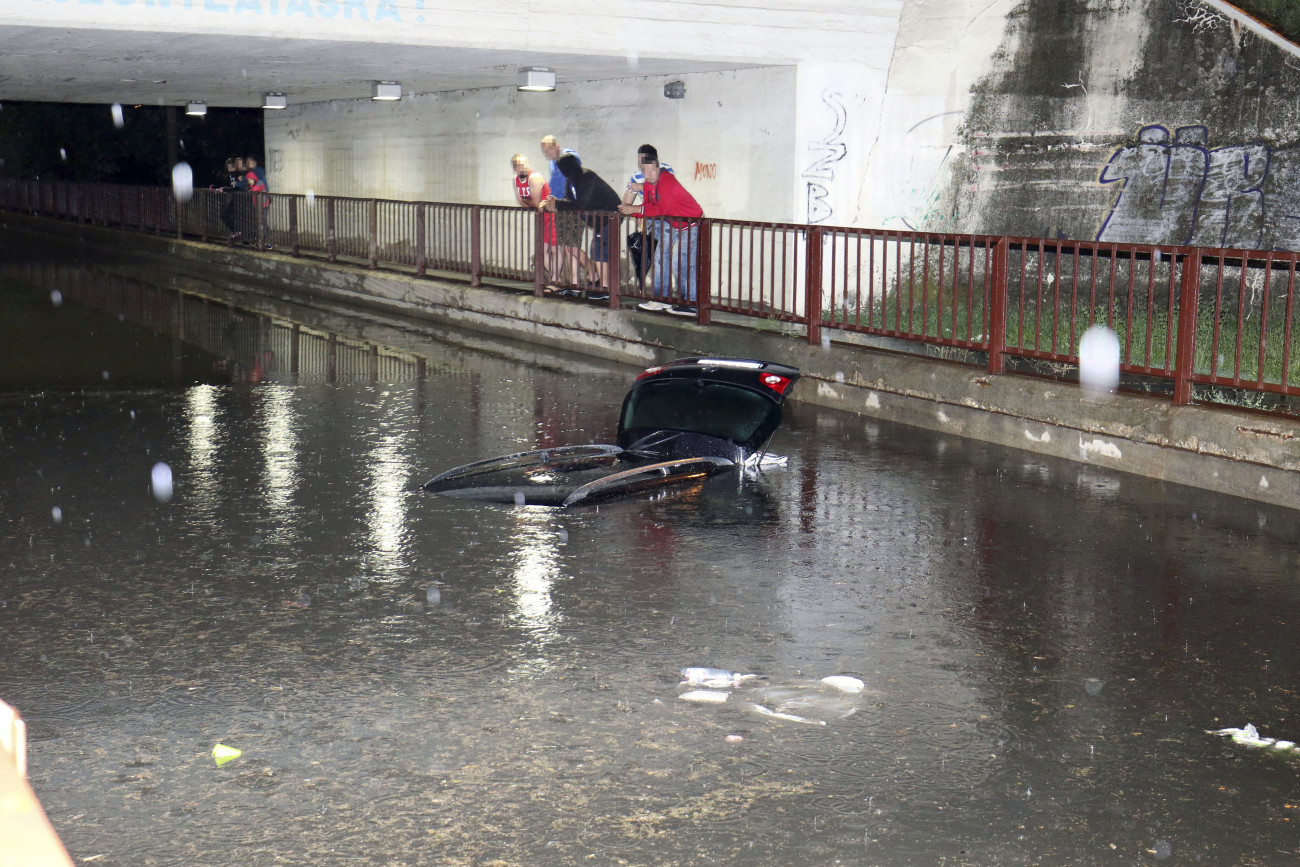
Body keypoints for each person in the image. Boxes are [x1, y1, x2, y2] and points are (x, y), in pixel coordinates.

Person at [618, 149, 703, 316]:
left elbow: (660, 208)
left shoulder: (668, 182)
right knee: (659, 257)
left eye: (651, 170)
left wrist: (634, 209)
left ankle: (690, 304)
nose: (648, 175)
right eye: (644, 171)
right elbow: (650, 206)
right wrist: (632, 211)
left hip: (692, 223)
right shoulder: (649, 183)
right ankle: (660, 299)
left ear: (658, 168)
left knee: (683, 262)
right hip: (674, 222)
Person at [546, 154, 621, 300]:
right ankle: (601, 284)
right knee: (597, 249)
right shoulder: (572, 179)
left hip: (609, 216)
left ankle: (604, 288)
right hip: (600, 218)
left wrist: (558, 204)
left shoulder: (586, 178)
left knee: (600, 251)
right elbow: (570, 199)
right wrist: (557, 202)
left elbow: (582, 204)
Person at [540, 135, 592, 288]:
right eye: (544, 151)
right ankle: (573, 282)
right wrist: (550, 200)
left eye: (549, 149)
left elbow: (575, 180)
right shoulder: (552, 163)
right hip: (561, 208)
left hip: (572, 208)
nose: (547, 153)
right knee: (568, 247)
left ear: (557, 145)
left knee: (572, 247)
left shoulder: (569, 156)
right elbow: (555, 185)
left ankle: (592, 274)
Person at [620, 144, 675, 288]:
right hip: (649, 219)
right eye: (639, 158)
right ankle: (659, 294)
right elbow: (626, 201)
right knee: (653, 257)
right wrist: (632, 211)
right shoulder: (636, 176)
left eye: (643, 158)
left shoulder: (665, 170)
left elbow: (664, 193)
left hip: (665, 219)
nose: (640, 162)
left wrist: (641, 190)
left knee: (661, 257)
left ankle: (663, 297)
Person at [511, 154, 559, 288]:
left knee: (555, 250)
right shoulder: (516, 179)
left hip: (552, 217)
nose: (523, 167)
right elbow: (523, 203)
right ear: (515, 168)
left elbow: (536, 202)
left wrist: (530, 202)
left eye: (524, 164)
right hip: (541, 218)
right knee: (542, 251)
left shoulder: (534, 177)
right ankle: (556, 279)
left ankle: (557, 281)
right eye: (519, 165)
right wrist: (531, 202)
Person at [244, 155, 271, 248]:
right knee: (260, 221)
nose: (247, 164)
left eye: (249, 162)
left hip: (262, 200)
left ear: (254, 162)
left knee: (262, 221)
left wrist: (253, 189)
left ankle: (265, 242)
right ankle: (261, 241)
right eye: (247, 162)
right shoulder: (253, 172)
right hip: (259, 201)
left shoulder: (257, 171)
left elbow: (260, 183)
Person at [217, 156, 246, 241]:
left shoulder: (238, 174)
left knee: (227, 215)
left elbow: (237, 187)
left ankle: (241, 235)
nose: (228, 167)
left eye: (230, 165)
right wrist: (224, 188)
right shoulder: (231, 175)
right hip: (236, 198)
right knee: (226, 215)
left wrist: (225, 189)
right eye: (227, 166)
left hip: (241, 198)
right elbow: (232, 186)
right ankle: (237, 232)